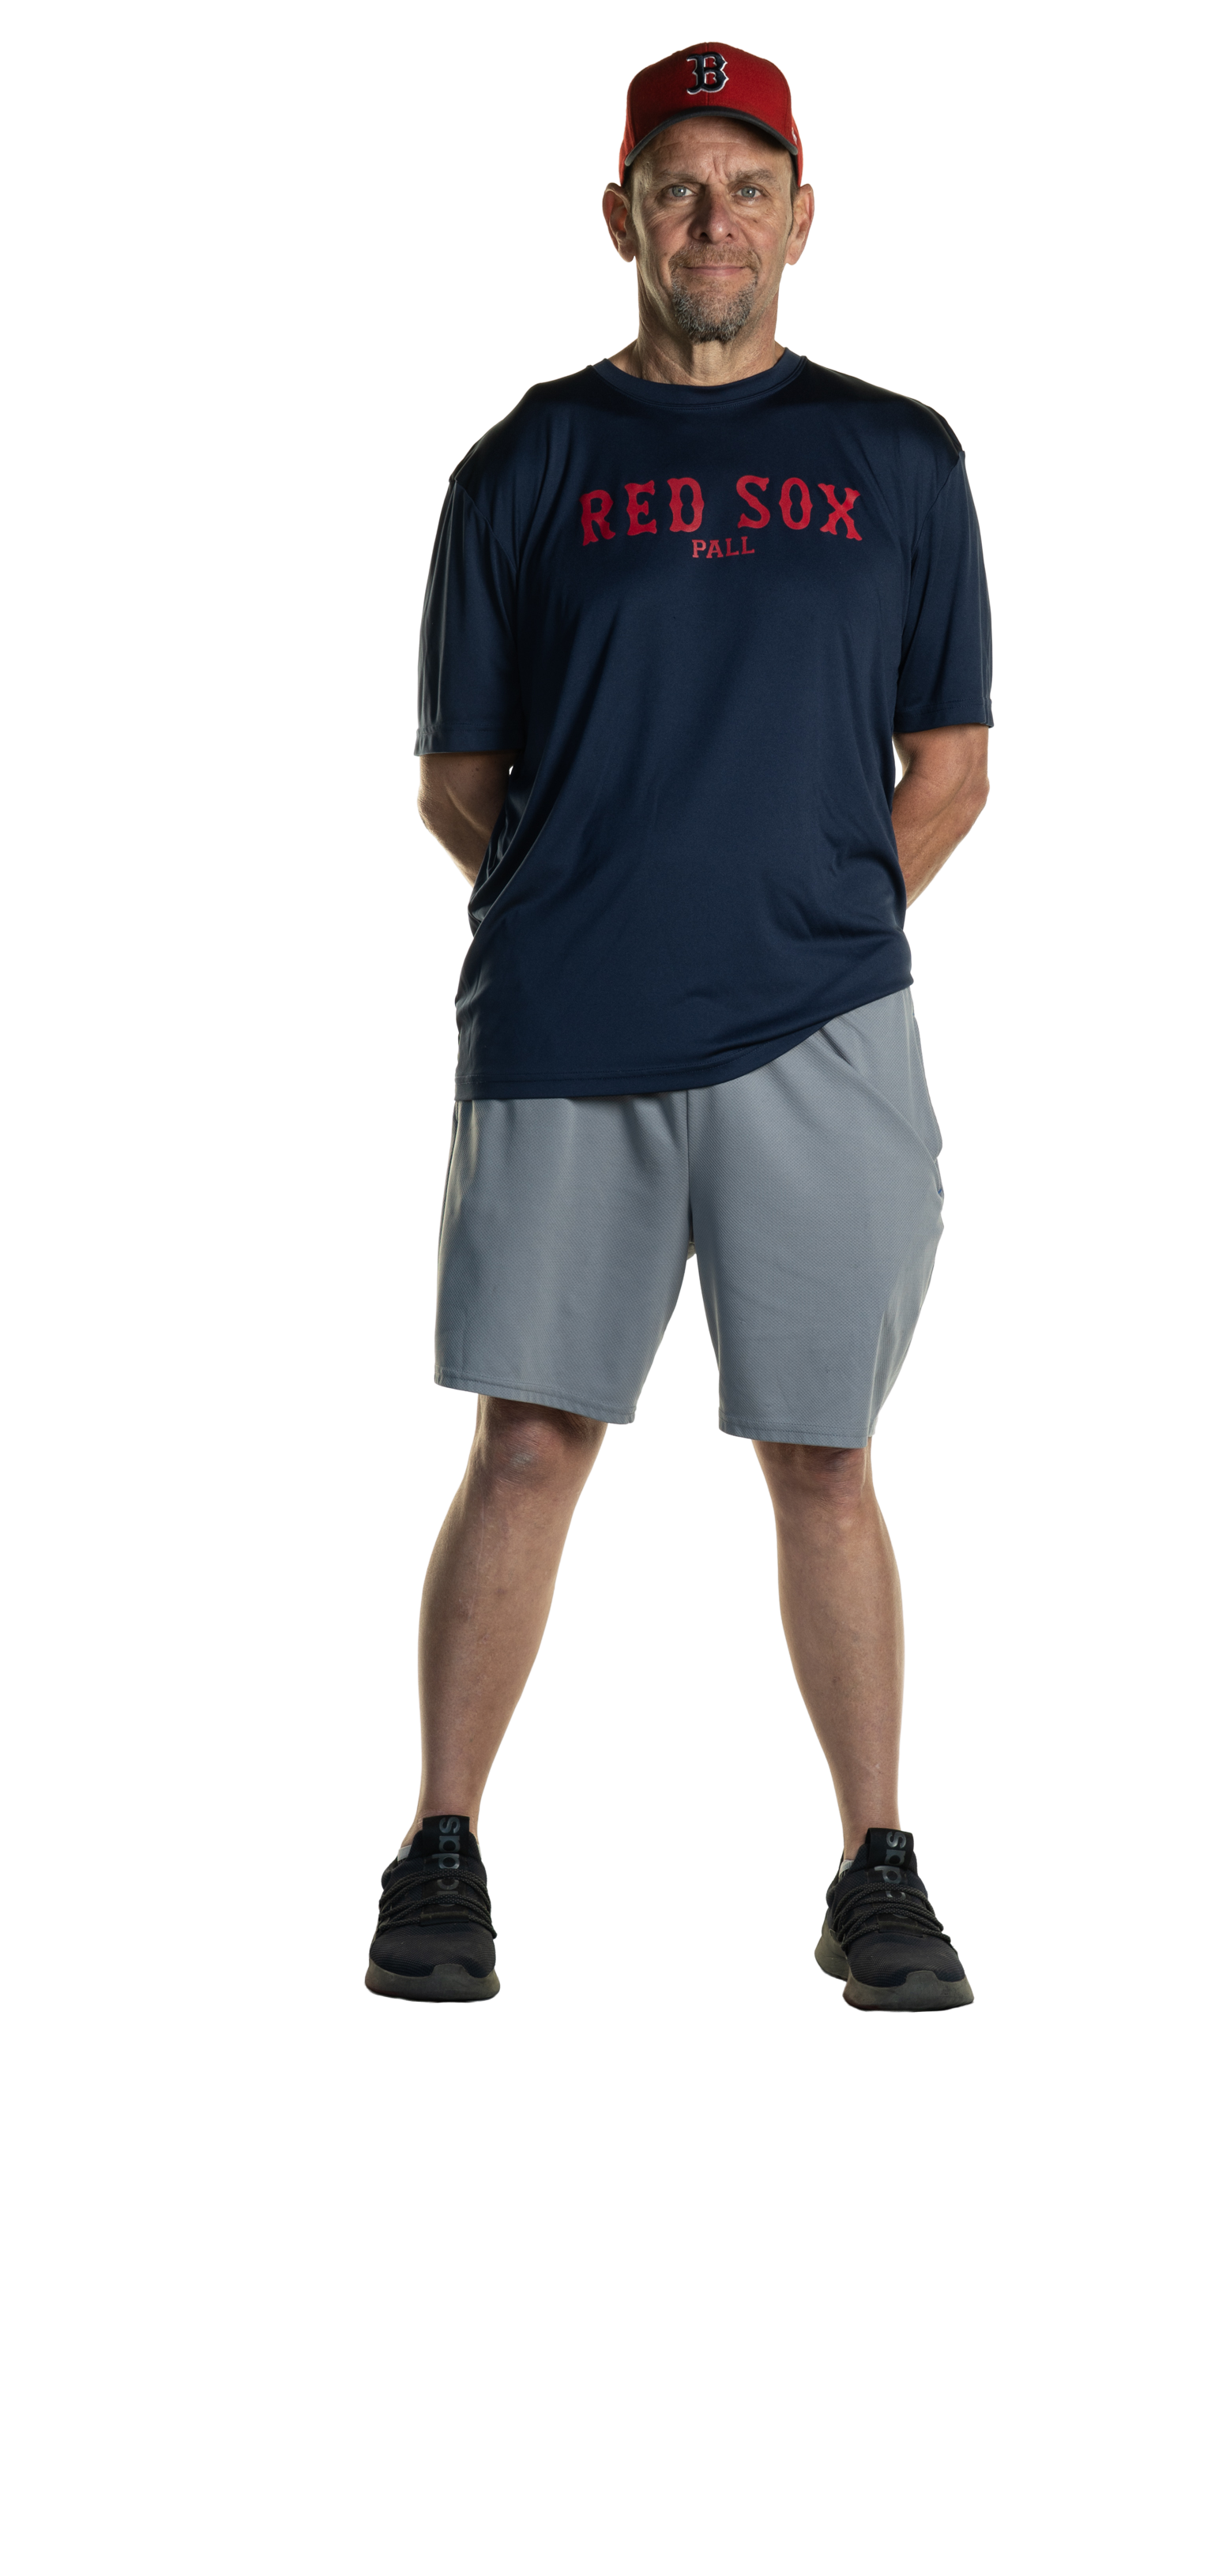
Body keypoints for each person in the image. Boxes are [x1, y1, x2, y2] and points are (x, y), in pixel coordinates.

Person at [367, 39, 991, 2008]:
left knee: (826, 1456)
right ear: (619, 217)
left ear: (801, 221)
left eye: (747, 187)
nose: (711, 220)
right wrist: (613, 917)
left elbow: (950, 767)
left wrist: (797, 926)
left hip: (827, 1031)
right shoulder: (525, 460)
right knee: (529, 1439)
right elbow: (455, 781)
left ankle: (875, 1861)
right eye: (675, 187)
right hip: (567, 1027)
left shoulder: (900, 459)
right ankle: (440, 1843)